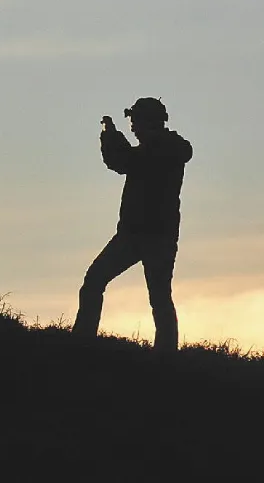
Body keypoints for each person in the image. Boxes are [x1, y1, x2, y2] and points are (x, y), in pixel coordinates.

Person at [72, 97, 193, 352]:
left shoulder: (167, 149)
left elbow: (128, 162)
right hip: (136, 234)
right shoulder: (161, 149)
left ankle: (164, 355)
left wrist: (112, 138)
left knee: (156, 296)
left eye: (135, 122)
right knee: (100, 282)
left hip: (151, 237)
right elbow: (124, 162)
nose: (133, 128)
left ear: (149, 122)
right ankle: (83, 343)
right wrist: (112, 137)